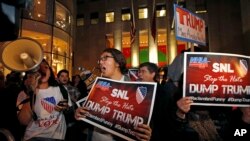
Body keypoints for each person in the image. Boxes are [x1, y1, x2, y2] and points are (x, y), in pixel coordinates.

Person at [74, 48, 152, 141]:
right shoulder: (97, 86)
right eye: (100, 59)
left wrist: (144, 133)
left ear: (118, 63)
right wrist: (79, 113)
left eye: (105, 58)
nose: (101, 62)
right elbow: (88, 113)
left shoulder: (135, 89)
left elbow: (140, 121)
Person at [138, 62, 199, 141]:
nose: (139, 74)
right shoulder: (137, 90)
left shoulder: (163, 92)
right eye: (139, 71)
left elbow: (168, 119)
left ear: (153, 74)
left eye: (143, 71)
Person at [17, 59, 72, 141]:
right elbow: (23, 121)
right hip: (34, 137)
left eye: (46, 67)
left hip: (57, 137)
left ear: (50, 73)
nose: (42, 70)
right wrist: (32, 92)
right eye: (39, 69)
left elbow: (69, 110)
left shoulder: (61, 89)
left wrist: (65, 107)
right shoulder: (27, 93)